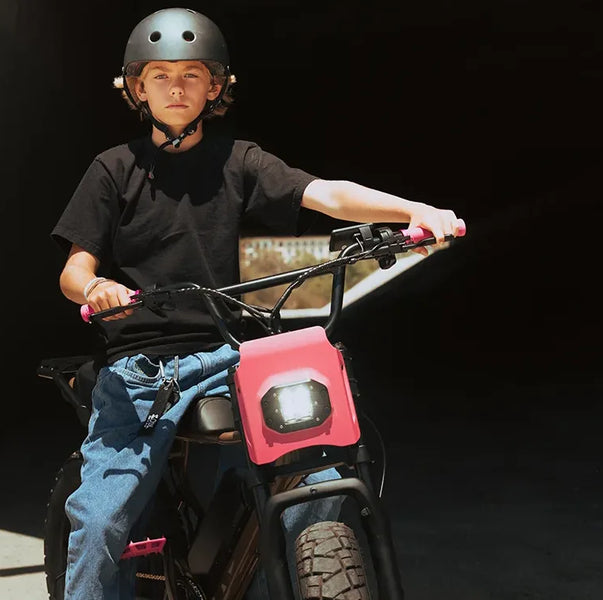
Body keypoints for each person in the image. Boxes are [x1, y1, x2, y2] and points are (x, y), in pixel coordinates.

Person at [51, 7, 464, 600]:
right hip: (142, 370)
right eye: (160, 75)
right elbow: (74, 271)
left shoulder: (239, 160)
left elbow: (326, 194)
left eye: (192, 75)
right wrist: (96, 289)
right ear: (137, 88)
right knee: (99, 521)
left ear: (214, 87)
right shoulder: (113, 170)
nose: (176, 87)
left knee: (314, 476)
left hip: (229, 355)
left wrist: (413, 211)